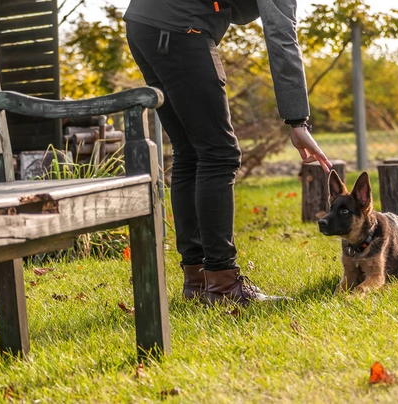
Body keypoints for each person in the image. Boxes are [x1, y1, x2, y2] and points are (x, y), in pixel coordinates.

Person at [123, 0, 332, 306]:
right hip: (180, 27)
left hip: (145, 23)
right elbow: (281, 36)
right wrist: (297, 120)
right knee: (219, 154)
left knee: (190, 152)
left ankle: (197, 280)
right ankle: (222, 285)